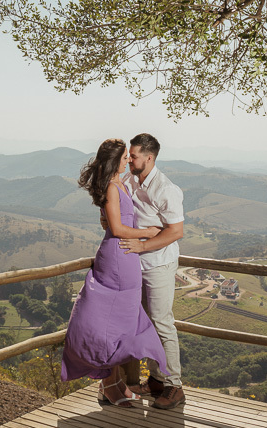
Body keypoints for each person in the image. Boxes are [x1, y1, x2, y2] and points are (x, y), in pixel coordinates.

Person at [61, 138, 169, 407]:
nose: (128, 160)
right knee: (112, 324)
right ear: (115, 160)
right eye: (124, 157)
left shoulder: (121, 183)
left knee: (123, 323)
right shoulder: (111, 186)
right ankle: (110, 384)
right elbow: (118, 229)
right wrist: (148, 233)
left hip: (128, 258)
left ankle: (114, 384)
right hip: (117, 257)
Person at [118, 133, 185, 410]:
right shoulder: (129, 180)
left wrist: (143, 245)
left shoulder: (166, 189)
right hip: (135, 264)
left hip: (157, 264)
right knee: (139, 324)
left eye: (133, 156)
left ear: (149, 157)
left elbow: (176, 231)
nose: (129, 160)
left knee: (161, 322)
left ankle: (174, 385)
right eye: (129, 155)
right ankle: (155, 381)